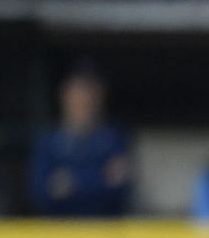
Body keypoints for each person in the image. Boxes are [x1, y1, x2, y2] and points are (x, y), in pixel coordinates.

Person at [29, 63, 132, 217]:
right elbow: (40, 195)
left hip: (104, 232)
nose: (84, 100)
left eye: (89, 93)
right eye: (78, 93)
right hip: (59, 233)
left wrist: (70, 183)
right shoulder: (49, 142)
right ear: (65, 95)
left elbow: (120, 190)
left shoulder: (114, 140)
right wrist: (99, 179)